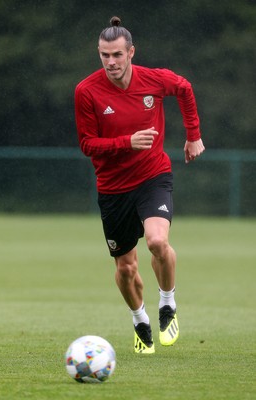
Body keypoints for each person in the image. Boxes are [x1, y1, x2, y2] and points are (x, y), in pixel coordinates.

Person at [75, 16, 205, 354]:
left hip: (153, 176)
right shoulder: (86, 91)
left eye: (117, 54)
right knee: (125, 267)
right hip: (113, 188)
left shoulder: (153, 80)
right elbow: (87, 144)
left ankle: (167, 305)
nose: (111, 62)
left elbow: (185, 89)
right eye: (104, 55)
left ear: (131, 52)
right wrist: (126, 142)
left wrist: (194, 137)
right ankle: (139, 319)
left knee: (158, 241)